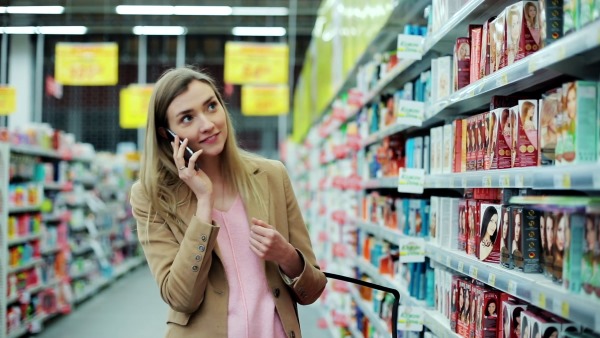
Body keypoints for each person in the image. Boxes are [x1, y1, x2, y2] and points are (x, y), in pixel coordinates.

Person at [129, 67, 327, 338]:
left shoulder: (271, 176)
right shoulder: (152, 196)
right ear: (167, 135)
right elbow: (181, 298)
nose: (207, 123)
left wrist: (286, 255)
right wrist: (204, 202)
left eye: (211, 106)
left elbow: (313, 289)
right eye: (187, 118)